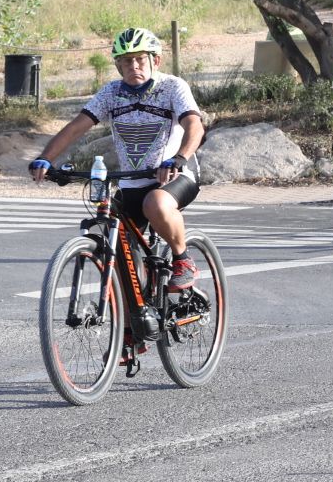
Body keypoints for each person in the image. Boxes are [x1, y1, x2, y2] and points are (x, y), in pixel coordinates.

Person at [28, 27, 204, 339]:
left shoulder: (173, 87)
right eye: (125, 62)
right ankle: (132, 332)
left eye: (139, 60)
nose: (133, 67)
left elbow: (194, 125)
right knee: (120, 254)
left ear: (155, 60)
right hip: (131, 184)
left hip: (175, 175)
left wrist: (179, 158)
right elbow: (76, 127)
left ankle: (182, 259)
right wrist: (46, 158)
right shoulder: (111, 93)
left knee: (156, 203)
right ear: (117, 66)